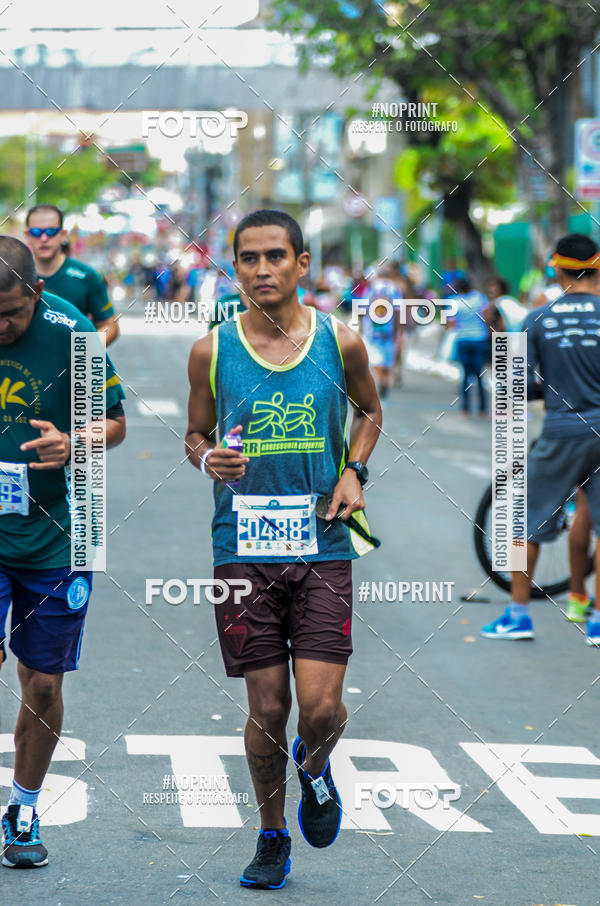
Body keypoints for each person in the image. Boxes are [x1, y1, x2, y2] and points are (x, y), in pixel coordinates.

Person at [185, 209, 382, 890]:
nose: (261, 270)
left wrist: (354, 470)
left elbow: (370, 412)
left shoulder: (341, 341)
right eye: (247, 259)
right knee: (266, 709)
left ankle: (316, 765)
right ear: (233, 266)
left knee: (320, 708)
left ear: (302, 264)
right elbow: (194, 433)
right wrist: (207, 456)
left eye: (275, 257)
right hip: (240, 548)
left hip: (324, 541)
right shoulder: (212, 349)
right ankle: (272, 835)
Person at [0, 237, 126, 867]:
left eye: (11, 315)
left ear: (37, 293)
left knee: (42, 681)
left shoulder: (73, 334)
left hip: (60, 529)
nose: (0, 327)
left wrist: (75, 440)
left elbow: (116, 425)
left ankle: (23, 810)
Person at [481, 233, 600, 645]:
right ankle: (597, 623)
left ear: (556, 268)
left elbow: (511, 386)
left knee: (526, 522)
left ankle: (517, 616)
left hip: (563, 432)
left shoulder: (538, 318)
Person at [25, 205, 119, 346]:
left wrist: (83, 351)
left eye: (51, 231)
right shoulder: (16, 275)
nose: (44, 238)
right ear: (28, 236)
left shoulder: (87, 276)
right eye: (37, 232)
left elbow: (110, 325)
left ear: (63, 235)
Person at [447, 278, 491, 416]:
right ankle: (483, 409)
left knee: (465, 375)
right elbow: (486, 317)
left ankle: (465, 408)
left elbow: (450, 324)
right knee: (480, 375)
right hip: (479, 339)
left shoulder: (454, 301)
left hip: (463, 340)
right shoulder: (479, 298)